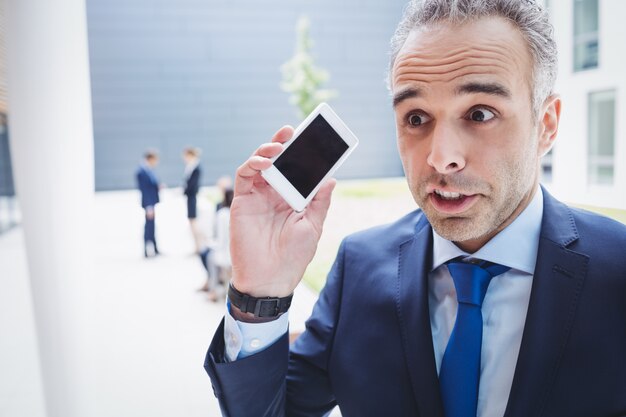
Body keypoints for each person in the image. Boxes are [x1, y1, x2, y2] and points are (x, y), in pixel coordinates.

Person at [204, 1, 626, 416]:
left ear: (546, 124)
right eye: (417, 118)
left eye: (480, 113)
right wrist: (259, 296)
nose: (441, 158)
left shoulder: (618, 270)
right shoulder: (360, 266)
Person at [199, 187, 234, 301]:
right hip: (237, 253)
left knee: (208, 257)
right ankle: (214, 285)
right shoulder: (237, 213)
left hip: (225, 253)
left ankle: (212, 289)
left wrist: (210, 244)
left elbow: (221, 239)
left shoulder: (222, 214)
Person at [136, 150, 161, 258]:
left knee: (152, 226)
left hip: (152, 203)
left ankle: (154, 248)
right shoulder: (141, 172)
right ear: (150, 159)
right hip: (148, 204)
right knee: (148, 226)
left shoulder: (148, 170)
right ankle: (147, 249)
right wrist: (148, 206)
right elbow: (145, 190)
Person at [183, 147, 202, 253]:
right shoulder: (191, 166)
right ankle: (197, 246)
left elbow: (192, 185)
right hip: (190, 197)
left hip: (192, 197)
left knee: (193, 221)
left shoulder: (195, 167)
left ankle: (198, 246)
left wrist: (184, 191)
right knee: (192, 221)